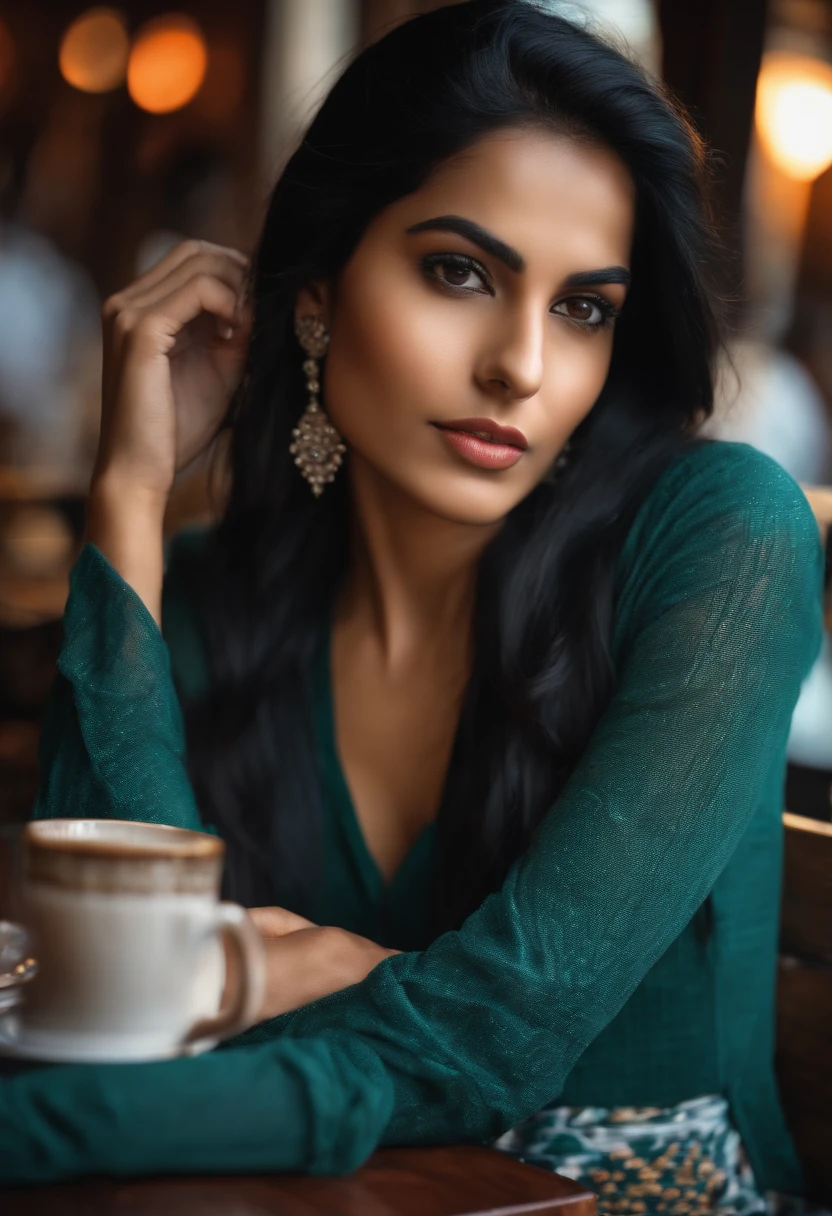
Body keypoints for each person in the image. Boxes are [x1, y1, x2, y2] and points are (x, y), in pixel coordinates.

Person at [0, 1, 823, 1207]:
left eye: (582, 307)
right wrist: (130, 493)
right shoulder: (227, 593)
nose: (521, 366)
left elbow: (485, 1040)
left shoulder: (720, 535)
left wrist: (230, 996)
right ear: (317, 295)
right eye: (459, 272)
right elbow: (114, 983)